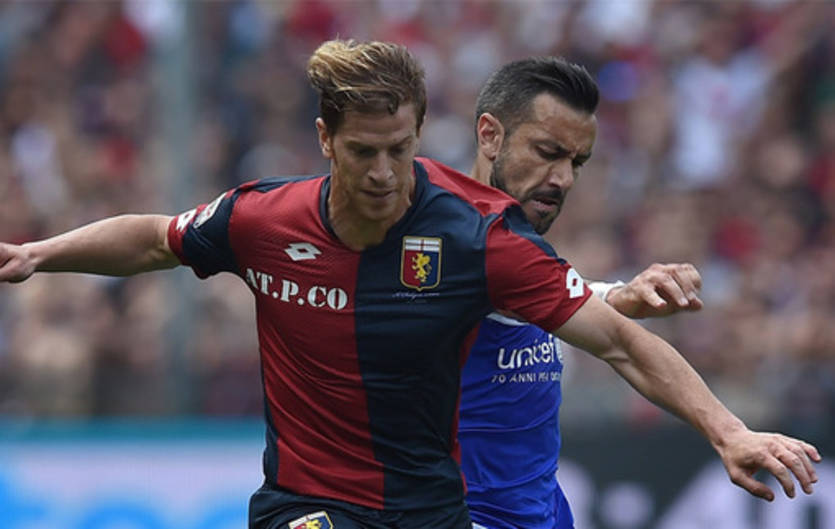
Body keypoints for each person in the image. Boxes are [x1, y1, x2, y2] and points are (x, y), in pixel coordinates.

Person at [0, 40, 821, 529]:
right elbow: (154, 238)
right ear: (326, 141)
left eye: (399, 150)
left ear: (418, 137)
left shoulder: (484, 241)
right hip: (322, 500)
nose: (383, 172)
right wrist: (37, 253)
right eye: (364, 151)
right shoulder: (264, 218)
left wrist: (724, 429)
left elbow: (615, 341)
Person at [459, 57, 703, 529]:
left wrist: (615, 295)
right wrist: (730, 433)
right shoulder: (449, 240)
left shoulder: (517, 250)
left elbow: (528, 296)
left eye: (576, 162)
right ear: (489, 136)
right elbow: (622, 345)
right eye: (548, 152)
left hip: (543, 513)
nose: (564, 179)